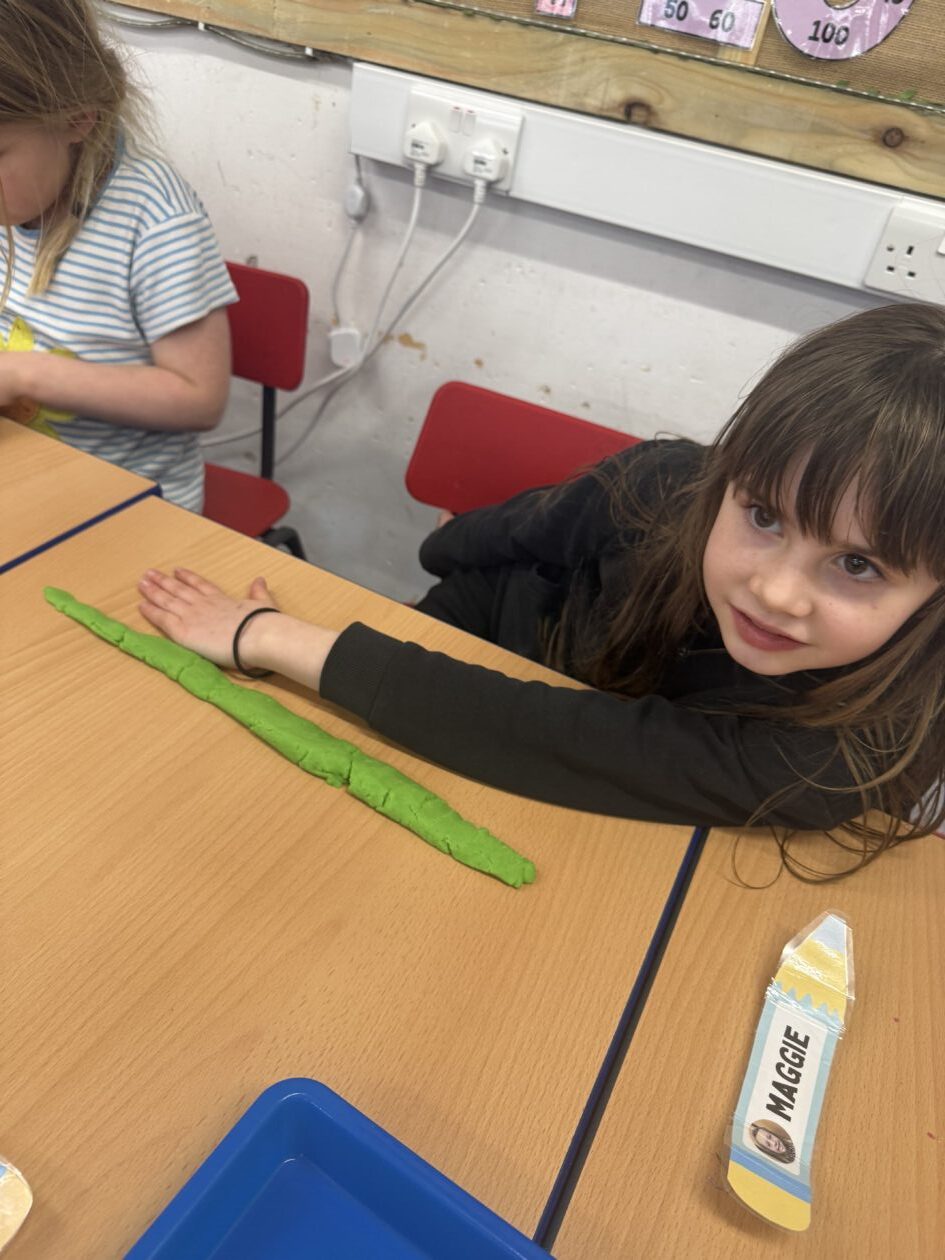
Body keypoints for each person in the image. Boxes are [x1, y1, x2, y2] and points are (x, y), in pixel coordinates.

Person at [137, 303, 945, 876]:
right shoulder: (661, 485)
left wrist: (268, 634)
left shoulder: (873, 744)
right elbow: (497, 537)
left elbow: (575, 743)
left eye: (858, 565)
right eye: (763, 515)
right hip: (476, 635)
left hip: (543, 753)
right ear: (728, 477)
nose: (775, 592)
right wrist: (425, 572)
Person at [0, 0, 235, 510]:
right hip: (23, 475)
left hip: (128, 505)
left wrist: (22, 374)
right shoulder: (18, 193)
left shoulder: (155, 219)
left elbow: (200, 397)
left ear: (76, 120)